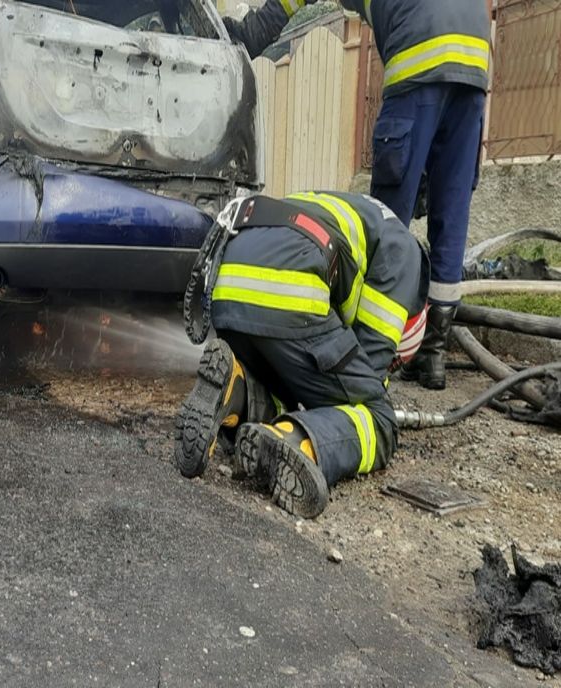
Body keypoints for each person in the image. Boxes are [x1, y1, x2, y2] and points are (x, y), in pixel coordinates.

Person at [223, 0, 490, 391]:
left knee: (386, 223)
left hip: (418, 57)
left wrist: (246, 35)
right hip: (474, 62)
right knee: (451, 212)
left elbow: (286, 4)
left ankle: (371, 357)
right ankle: (433, 354)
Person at [174, 192, 428, 519]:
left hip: (228, 282)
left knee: (292, 387)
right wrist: (376, 386)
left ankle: (234, 388)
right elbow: (371, 364)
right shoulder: (405, 253)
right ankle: (296, 440)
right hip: (290, 285)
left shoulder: (363, 214)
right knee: (379, 419)